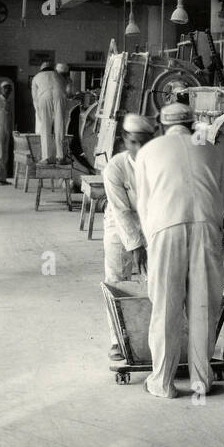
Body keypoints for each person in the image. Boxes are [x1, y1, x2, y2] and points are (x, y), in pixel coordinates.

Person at [133, 101, 224, 399]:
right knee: (203, 307)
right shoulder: (211, 148)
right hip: (207, 226)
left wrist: (151, 242)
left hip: (165, 227)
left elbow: (143, 204)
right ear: (194, 122)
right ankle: (201, 380)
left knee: (166, 307)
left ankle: (162, 382)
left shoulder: (148, 151)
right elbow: (219, 192)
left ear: (161, 125)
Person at [102, 114, 155, 360]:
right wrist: (136, 246)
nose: (139, 148)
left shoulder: (158, 163)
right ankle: (117, 342)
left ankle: (150, 340)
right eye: (134, 142)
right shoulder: (116, 166)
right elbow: (121, 211)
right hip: (117, 225)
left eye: (144, 142)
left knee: (153, 281)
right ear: (125, 140)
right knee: (117, 280)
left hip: (150, 225)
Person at [30, 60, 68, 164]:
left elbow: (35, 98)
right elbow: (65, 89)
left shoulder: (36, 77)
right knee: (59, 126)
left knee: (45, 127)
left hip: (44, 96)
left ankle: (46, 158)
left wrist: (39, 114)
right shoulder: (58, 76)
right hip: (60, 95)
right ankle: (60, 157)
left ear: (41, 69)